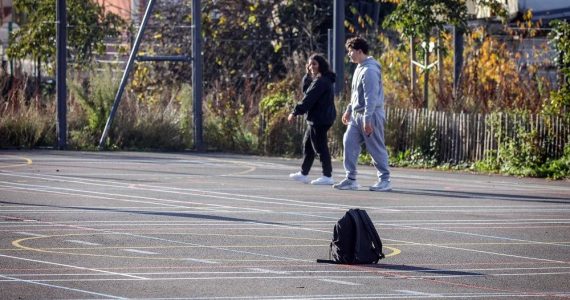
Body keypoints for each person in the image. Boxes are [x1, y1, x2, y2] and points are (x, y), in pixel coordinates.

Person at [333, 36, 392, 192]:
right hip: (357, 115)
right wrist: (349, 110)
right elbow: (356, 94)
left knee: (375, 147)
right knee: (348, 141)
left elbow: (370, 98)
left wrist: (367, 120)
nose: (349, 55)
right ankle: (350, 179)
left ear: (359, 51)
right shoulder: (359, 67)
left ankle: (385, 180)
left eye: (350, 52)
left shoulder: (370, 70)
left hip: (371, 115)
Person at [288, 53, 337, 185]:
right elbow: (306, 91)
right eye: (309, 64)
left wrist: (295, 112)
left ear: (321, 65)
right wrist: (308, 75)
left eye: (314, 64)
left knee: (320, 147)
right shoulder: (320, 79)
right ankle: (304, 173)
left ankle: (327, 176)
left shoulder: (321, 82)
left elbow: (308, 98)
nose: (311, 67)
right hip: (317, 118)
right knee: (308, 145)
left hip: (320, 119)